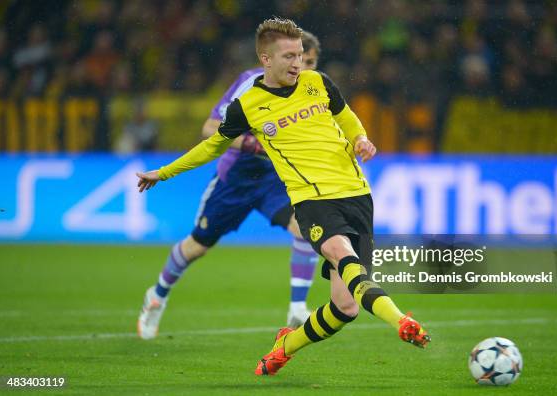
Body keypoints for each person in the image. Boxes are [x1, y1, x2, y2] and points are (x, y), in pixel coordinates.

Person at [136, 18, 430, 375]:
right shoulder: (248, 100)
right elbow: (211, 141)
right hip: (268, 188)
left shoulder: (318, 83)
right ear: (266, 59)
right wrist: (163, 173)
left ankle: (286, 342)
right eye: (290, 56)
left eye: (303, 56)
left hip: (348, 194)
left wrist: (360, 138)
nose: (299, 64)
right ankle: (400, 321)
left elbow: (347, 116)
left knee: (345, 307)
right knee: (201, 245)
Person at [137, 31, 322, 340]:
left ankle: (298, 307)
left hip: (274, 181)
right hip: (234, 180)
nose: (303, 67)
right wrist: (250, 143)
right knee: (197, 246)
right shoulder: (250, 83)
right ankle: (156, 295)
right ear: (274, 58)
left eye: (309, 61)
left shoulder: (313, 88)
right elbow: (210, 128)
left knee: (303, 226)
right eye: (296, 59)